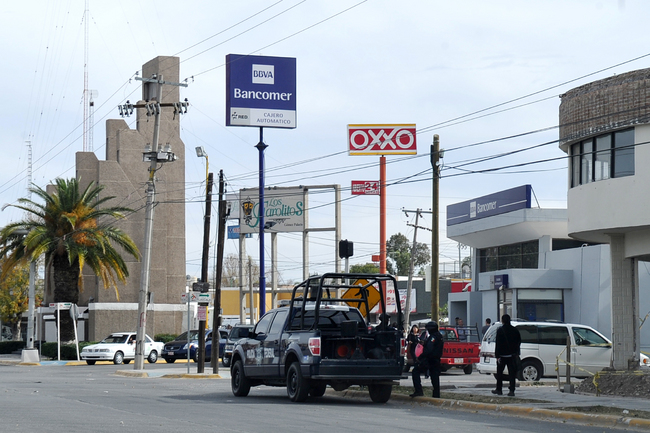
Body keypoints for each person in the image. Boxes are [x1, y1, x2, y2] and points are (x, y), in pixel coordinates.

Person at [410, 321, 444, 398]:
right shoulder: (439, 336)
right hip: (436, 360)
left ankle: (418, 391)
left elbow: (429, 350)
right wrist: (425, 343)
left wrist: (420, 357)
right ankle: (436, 395)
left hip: (429, 360)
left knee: (415, 371)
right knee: (435, 378)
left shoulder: (433, 337)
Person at [492, 314, 521, 397]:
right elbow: (519, 341)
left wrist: (497, 355)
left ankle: (499, 389)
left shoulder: (500, 330)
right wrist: (516, 352)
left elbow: (498, 343)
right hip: (512, 355)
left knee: (499, 373)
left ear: (502, 321)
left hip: (502, 355)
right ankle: (512, 390)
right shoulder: (515, 330)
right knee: (512, 374)